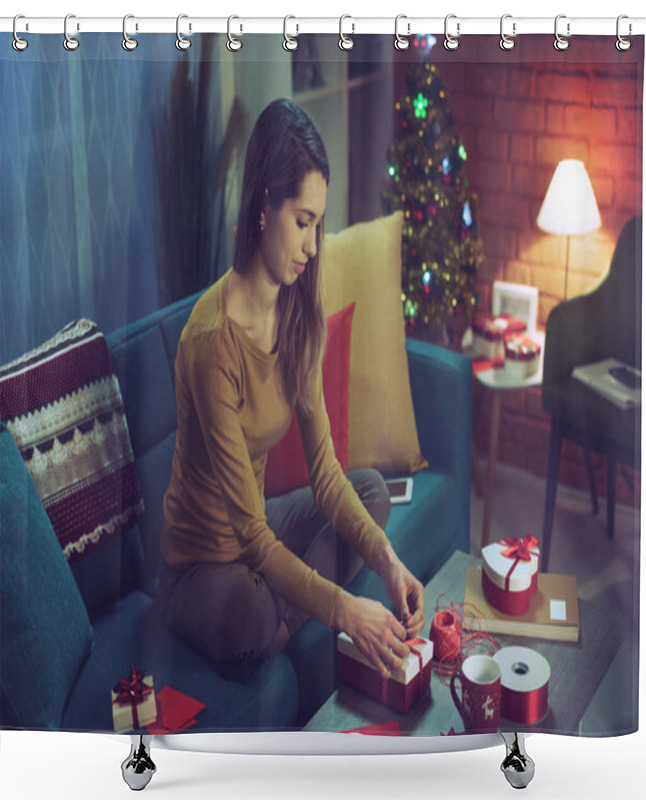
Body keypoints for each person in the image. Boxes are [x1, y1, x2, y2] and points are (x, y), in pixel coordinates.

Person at [158, 98, 424, 684]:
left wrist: (388, 561)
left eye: (317, 226)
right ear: (263, 209)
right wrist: (344, 610)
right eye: (302, 222)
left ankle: (278, 625)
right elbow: (249, 534)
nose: (311, 245)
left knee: (371, 494)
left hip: (260, 529)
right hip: (203, 565)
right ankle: (272, 627)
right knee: (250, 610)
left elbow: (326, 475)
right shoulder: (211, 344)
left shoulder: (297, 313)